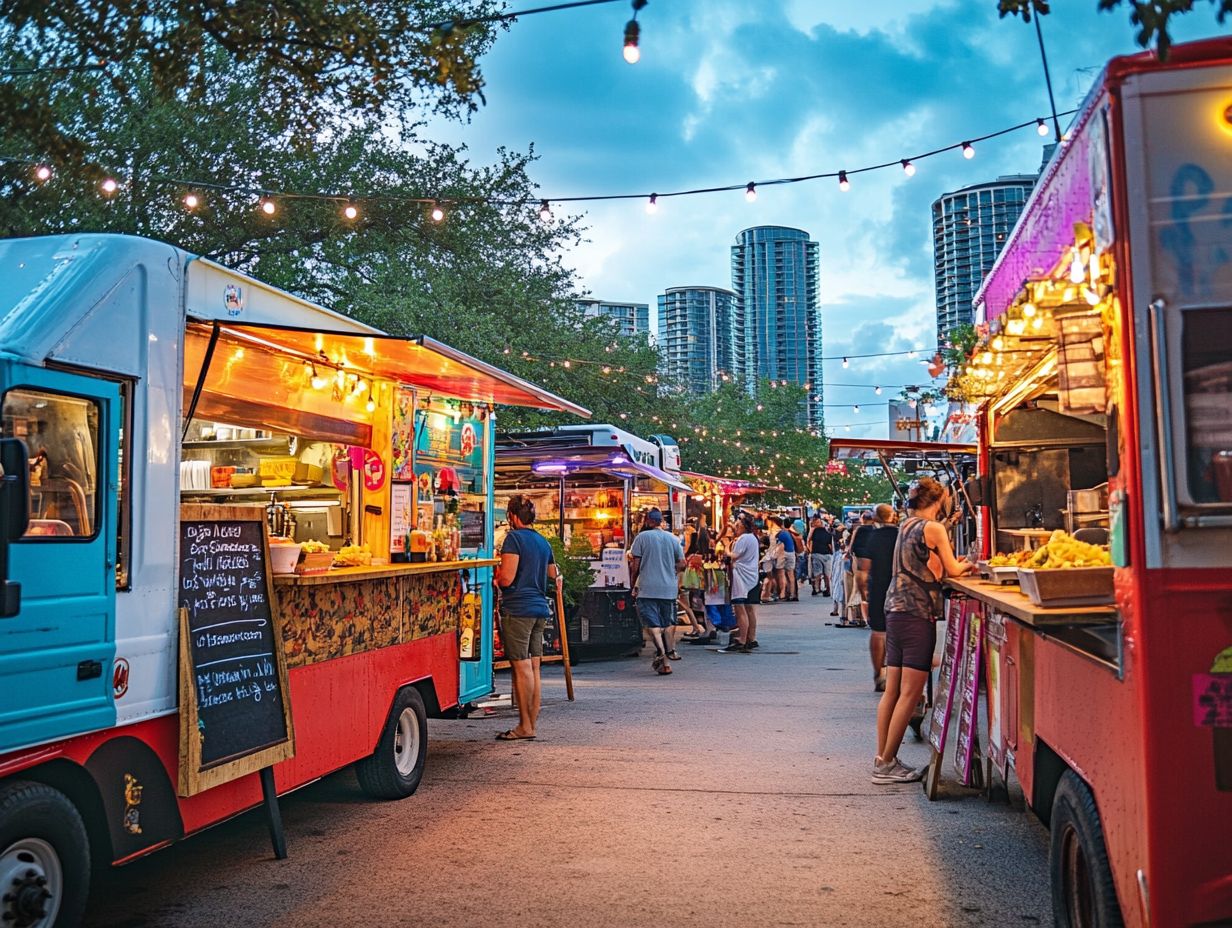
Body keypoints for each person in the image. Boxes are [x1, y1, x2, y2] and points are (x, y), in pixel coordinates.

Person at [873, 478, 974, 784]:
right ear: (940, 500)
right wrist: (971, 564)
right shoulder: (934, 529)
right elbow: (952, 570)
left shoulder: (906, 524)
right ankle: (886, 764)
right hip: (917, 612)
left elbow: (927, 564)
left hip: (895, 609)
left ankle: (883, 757)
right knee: (911, 692)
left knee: (893, 690)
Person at [495, 494, 559, 741]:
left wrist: (497, 577)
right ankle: (530, 724)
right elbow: (553, 573)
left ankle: (524, 726)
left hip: (518, 608)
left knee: (521, 667)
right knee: (534, 668)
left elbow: (507, 579)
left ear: (512, 516)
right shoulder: (543, 541)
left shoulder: (514, 539)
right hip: (539, 609)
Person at [629, 508, 686, 675]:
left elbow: (636, 565)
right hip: (668, 588)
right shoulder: (673, 539)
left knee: (652, 624)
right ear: (661, 521)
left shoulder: (641, 538)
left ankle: (661, 652)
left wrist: (633, 583)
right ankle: (667, 657)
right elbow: (682, 563)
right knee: (668, 623)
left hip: (647, 587)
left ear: (648, 521)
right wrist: (671, 570)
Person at [862, 504, 900, 691]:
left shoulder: (873, 537)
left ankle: (879, 674)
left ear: (876, 517)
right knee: (900, 632)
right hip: (901, 588)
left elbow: (864, 568)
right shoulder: (901, 534)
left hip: (878, 588)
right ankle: (897, 675)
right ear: (893, 517)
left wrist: (863, 593)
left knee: (878, 631)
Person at [722, 512, 761, 652]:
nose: (736, 528)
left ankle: (742, 639)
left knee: (740, 608)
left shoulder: (743, 538)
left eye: (738, 525)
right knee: (750, 609)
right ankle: (751, 637)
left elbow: (734, 556)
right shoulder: (753, 538)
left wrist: (726, 547)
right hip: (752, 576)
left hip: (741, 576)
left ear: (744, 526)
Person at [849, 511, 877, 626]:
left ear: (863, 519)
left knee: (860, 589)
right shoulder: (876, 530)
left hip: (860, 562)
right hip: (874, 562)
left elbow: (851, 547)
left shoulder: (859, 530)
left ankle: (863, 617)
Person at [808, 514, 833, 597]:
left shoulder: (813, 531)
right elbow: (830, 544)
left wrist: (810, 551)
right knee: (827, 573)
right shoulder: (827, 531)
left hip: (817, 553)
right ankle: (827, 589)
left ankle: (816, 589)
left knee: (817, 572)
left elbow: (809, 540)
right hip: (826, 554)